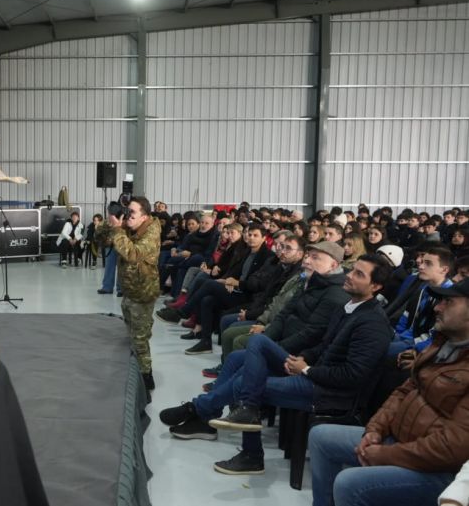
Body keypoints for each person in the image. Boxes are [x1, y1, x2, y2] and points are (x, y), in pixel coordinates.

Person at [159, 254, 392, 475]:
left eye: (360, 275)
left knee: (245, 383)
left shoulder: (372, 323)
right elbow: (324, 346)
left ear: (376, 287)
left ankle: (243, 447)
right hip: (311, 370)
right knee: (245, 354)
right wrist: (305, 360)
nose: (350, 275)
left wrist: (308, 370)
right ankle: (217, 413)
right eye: (352, 270)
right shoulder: (348, 307)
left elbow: (352, 376)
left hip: (328, 392)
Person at [308, 278, 469, 506]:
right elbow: (403, 392)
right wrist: (374, 431)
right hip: (400, 442)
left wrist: (384, 455)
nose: (437, 307)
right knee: (320, 437)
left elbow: (453, 448)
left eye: (449, 302)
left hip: (438, 469)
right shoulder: (442, 343)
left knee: (349, 483)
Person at [107, 197, 161, 393]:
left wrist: (118, 230)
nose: (128, 216)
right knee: (131, 333)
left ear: (144, 217)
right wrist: (112, 221)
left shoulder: (151, 234)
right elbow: (101, 239)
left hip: (143, 293)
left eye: (132, 213)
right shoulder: (131, 226)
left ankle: (147, 378)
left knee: (140, 338)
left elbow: (133, 254)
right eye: (126, 211)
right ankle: (135, 368)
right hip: (130, 290)